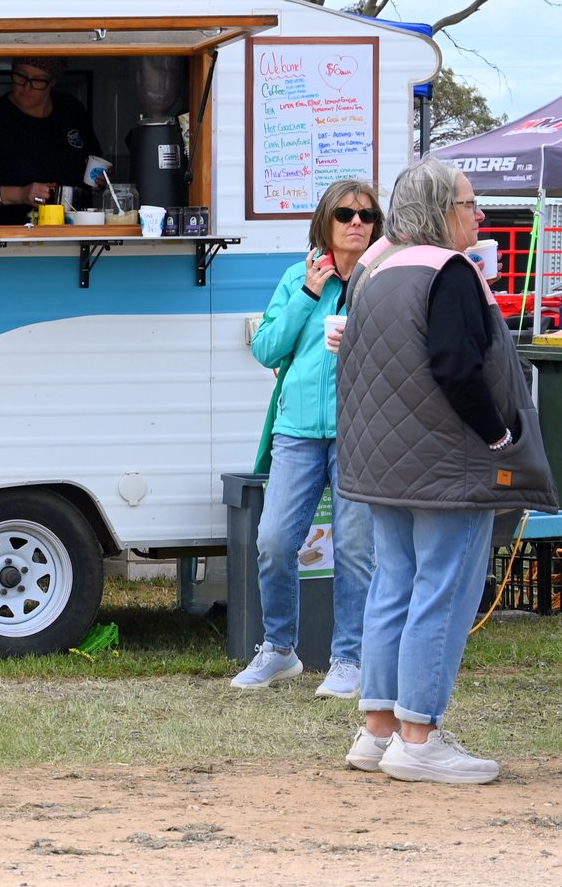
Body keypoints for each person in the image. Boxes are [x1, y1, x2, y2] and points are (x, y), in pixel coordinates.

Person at [334, 160, 554, 782]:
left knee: (392, 588)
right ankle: (420, 736)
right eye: (467, 203)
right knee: (443, 591)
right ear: (437, 210)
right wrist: (499, 433)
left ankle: (378, 731)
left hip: (380, 460)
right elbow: (457, 367)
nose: (478, 214)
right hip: (446, 463)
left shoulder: (373, 268)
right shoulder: (448, 271)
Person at [231, 179, 380, 694]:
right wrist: (309, 293)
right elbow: (268, 350)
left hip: (359, 431)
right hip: (296, 432)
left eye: (366, 215)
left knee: (356, 548)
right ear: (326, 222)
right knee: (273, 542)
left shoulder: (380, 279)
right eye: (345, 214)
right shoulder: (297, 276)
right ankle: (278, 651)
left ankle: (351, 660)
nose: (356, 222)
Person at [0, 57, 104, 225]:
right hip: (7, 236)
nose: (27, 87)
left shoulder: (71, 110)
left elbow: (91, 162)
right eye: (21, 77)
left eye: (38, 80)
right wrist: (21, 194)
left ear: (52, 81)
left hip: (73, 233)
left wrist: (100, 179)